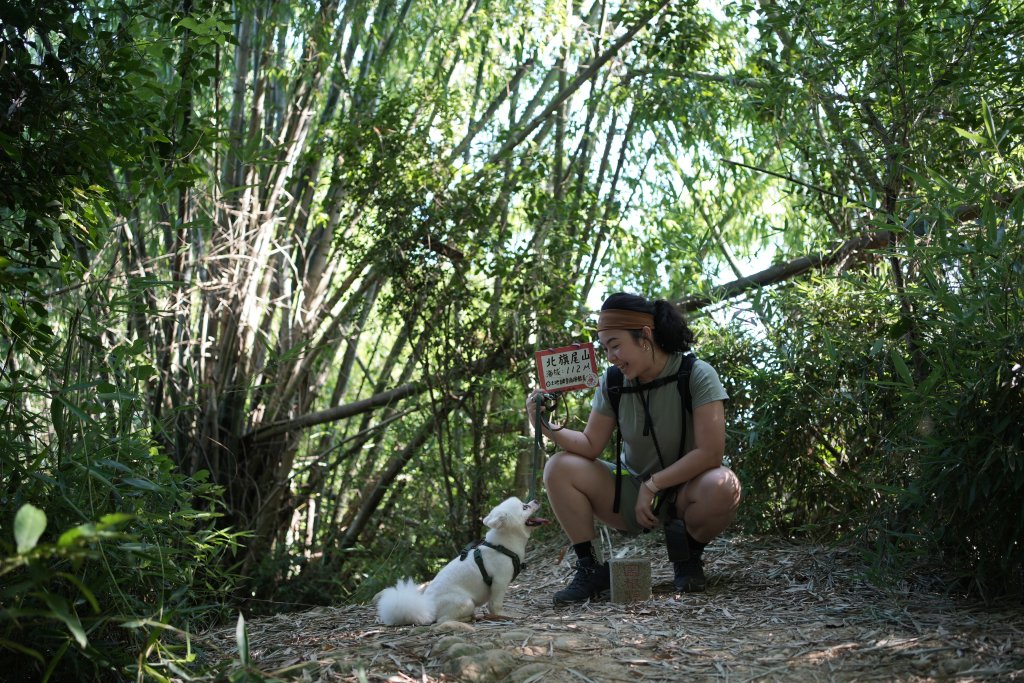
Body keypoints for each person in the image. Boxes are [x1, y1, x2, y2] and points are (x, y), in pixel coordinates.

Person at [526, 292, 742, 605]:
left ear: (645, 336)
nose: (611, 356)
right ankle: (590, 569)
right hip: (631, 494)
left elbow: (711, 453)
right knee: (558, 468)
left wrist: (655, 485)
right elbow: (589, 446)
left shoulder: (696, 374)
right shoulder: (612, 381)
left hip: (687, 492)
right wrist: (544, 424)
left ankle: (688, 556)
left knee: (725, 484)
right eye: (606, 348)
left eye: (616, 345)